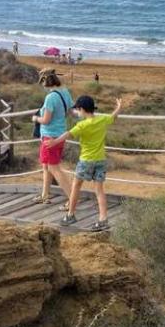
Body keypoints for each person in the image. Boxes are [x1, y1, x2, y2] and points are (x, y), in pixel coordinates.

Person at [48, 94, 123, 232]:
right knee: (99, 190)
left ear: (82, 109)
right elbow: (113, 117)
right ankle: (103, 219)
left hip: (86, 161)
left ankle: (70, 215)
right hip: (100, 160)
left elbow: (68, 134)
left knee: (76, 186)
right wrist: (118, 107)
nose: (77, 112)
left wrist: (54, 142)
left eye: (77, 110)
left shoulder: (82, 125)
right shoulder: (102, 119)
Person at [31, 70, 73, 204]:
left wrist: (36, 118)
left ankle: (72, 199)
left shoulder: (50, 97)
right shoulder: (65, 92)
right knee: (46, 166)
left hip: (49, 137)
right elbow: (70, 110)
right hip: (60, 134)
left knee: (54, 169)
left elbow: (46, 120)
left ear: (45, 81)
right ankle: (45, 195)